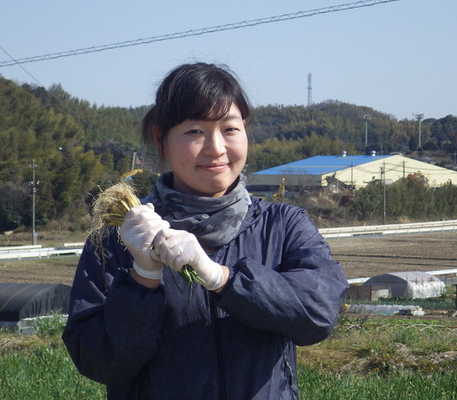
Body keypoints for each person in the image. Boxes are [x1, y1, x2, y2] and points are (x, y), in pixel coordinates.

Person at [62, 62, 349, 400]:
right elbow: (99, 363)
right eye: (194, 132)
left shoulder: (284, 224)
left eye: (230, 129)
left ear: (245, 130)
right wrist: (142, 277)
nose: (216, 148)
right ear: (161, 139)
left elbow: (317, 316)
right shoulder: (120, 237)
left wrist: (222, 278)